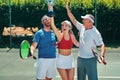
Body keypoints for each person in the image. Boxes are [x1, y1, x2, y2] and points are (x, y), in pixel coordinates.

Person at [66, 1, 106, 80]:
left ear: (90, 22)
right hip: (80, 59)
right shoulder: (82, 27)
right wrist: (68, 9)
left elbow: (102, 45)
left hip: (90, 60)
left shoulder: (95, 33)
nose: (83, 20)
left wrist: (102, 55)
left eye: (85, 19)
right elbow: (73, 20)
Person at [50, 5, 79, 80]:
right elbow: (52, 25)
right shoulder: (59, 35)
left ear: (69, 28)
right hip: (61, 60)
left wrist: (88, 45)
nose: (64, 27)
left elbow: (77, 44)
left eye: (66, 25)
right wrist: (50, 8)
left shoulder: (71, 36)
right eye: (62, 25)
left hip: (70, 59)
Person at [30, 14, 57, 80]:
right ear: (42, 22)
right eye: (45, 19)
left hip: (53, 59)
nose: (48, 20)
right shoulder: (39, 33)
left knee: (49, 78)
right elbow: (33, 46)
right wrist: (31, 51)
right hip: (43, 60)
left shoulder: (53, 33)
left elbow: (53, 44)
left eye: (49, 19)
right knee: (40, 78)